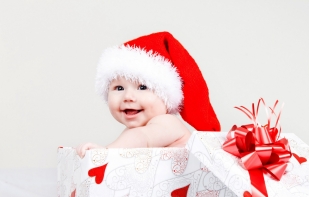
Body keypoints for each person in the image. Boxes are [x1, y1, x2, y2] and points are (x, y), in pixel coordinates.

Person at [76, 31, 221, 158]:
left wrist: (106, 152)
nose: (128, 97)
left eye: (142, 87)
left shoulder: (167, 122)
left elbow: (142, 137)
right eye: (119, 88)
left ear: (166, 97)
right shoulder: (136, 131)